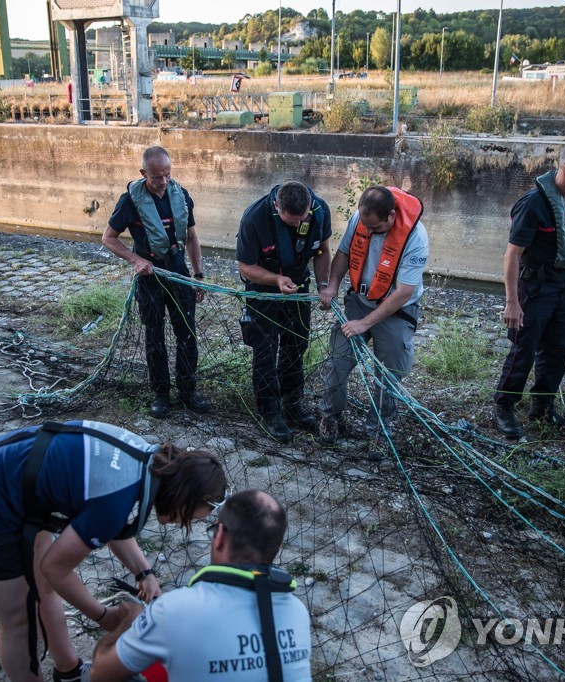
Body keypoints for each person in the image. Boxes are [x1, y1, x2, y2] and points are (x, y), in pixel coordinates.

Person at [0, 420, 228, 682]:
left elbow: (109, 520)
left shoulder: (148, 460)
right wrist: (102, 615)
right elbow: (57, 568)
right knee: (17, 619)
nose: (184, 524)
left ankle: (68, 672)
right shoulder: (117, 500)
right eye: (191, 517)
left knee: (44, 588)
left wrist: (145, 573)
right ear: (185, 500)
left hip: (14, 484)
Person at [89, 489, 311, 682]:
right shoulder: (297, 611)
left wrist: (131, 619)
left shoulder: (175, 608)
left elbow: (99, 674)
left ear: (220, 534)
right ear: (278, 547)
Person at [492, 143, 565, 438]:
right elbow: (512, 254)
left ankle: (542, 407)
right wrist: (512, 302)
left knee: (558, 351)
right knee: (523, 350)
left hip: (562, 286)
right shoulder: (533, 203)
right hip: (534, 288)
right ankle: (503, 406)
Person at [317, 186, 429, 447]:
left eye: (375, 229)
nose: (368, 233)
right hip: (359, 301)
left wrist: (364, 324)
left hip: (396, 310)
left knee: (389, 371)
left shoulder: (415, 238)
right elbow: (344, 252)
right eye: (365, 227)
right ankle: (329, 416)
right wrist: (332, 284)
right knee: (338, 360)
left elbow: (403, 293)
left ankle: (378, 428)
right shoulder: (361, 219)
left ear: (391, 216)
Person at [102, 146, 207, 419]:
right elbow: (109, 238)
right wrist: (135, 260)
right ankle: (161, 393)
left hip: (178, 273)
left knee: (187, 334)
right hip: (150, 277)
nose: (163, 182)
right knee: (155, 337)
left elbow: (193, 237)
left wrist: (197, 276)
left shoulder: (180, 195)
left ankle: (188, 391)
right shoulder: (130, 201)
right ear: (143, 173)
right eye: (157, 177)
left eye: (167, 175)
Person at [236, 181, 332, 443]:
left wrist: (324, 285)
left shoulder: (320, 210)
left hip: (299, 287)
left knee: (296, 345)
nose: (294, 226)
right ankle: (270, 411)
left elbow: (323, 250)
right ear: (277, 206)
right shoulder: (254, 217)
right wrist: (275, 280)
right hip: (263, 290)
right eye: (288, 222)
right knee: (265, 349)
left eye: (299, 221)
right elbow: (245, 266)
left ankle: (292, 403)